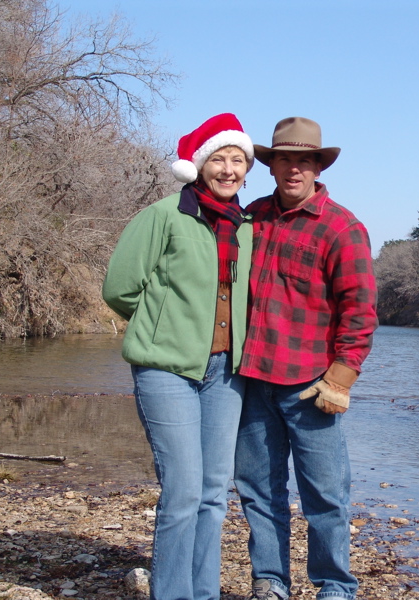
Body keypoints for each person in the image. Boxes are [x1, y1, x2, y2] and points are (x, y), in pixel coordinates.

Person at [102, 113, 255, 600]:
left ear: (247, 169)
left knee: (213, 493)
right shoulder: (164, 215)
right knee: (184, 491)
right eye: (219, 159)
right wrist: (161, 326)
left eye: (238, 160)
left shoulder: (247, 227)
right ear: (199, 165)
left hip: (225, 374)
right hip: (165, 369)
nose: (228, 169)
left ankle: (203, 593)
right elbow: (120, 288)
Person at [234, 117, 378, 600]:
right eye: (284, 159)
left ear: (318, 167)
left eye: (303, 160)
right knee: (258, 490)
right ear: (271, 165)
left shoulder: (343, 228)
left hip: (311, 385)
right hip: (250, 380)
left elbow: (360, 312)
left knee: (326, 495)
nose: (293, 168)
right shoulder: (251, 217)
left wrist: (341, 379)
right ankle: (270, 580)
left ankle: (335, 586)